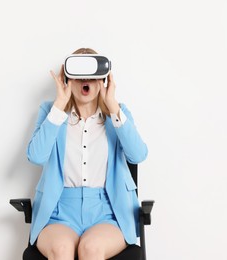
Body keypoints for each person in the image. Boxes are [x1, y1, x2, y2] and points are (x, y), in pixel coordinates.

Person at [26, 48, 148, 260]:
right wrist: (59, 106)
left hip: (108, 213)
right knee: (62, 250)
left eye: (92, 75)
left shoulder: (118, 113)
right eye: (79, 74)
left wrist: (112, 107)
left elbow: (138, 155)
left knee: (91, 249)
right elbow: (36, 156)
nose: (86, 80)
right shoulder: (51, 111)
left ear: (103, 79)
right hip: (58, 212)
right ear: (68, 79)